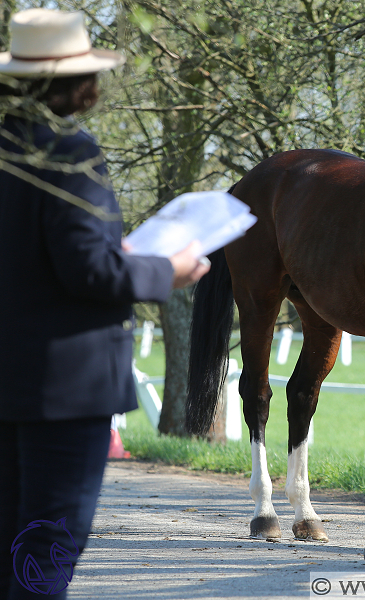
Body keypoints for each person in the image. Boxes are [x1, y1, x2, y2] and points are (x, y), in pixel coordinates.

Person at [0, 9, 209, 599]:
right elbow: (88, 268)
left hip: (10, 378)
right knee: (45, 551)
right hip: (65, 385)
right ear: (80, 81)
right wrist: (169, 270)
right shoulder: (68, 154)